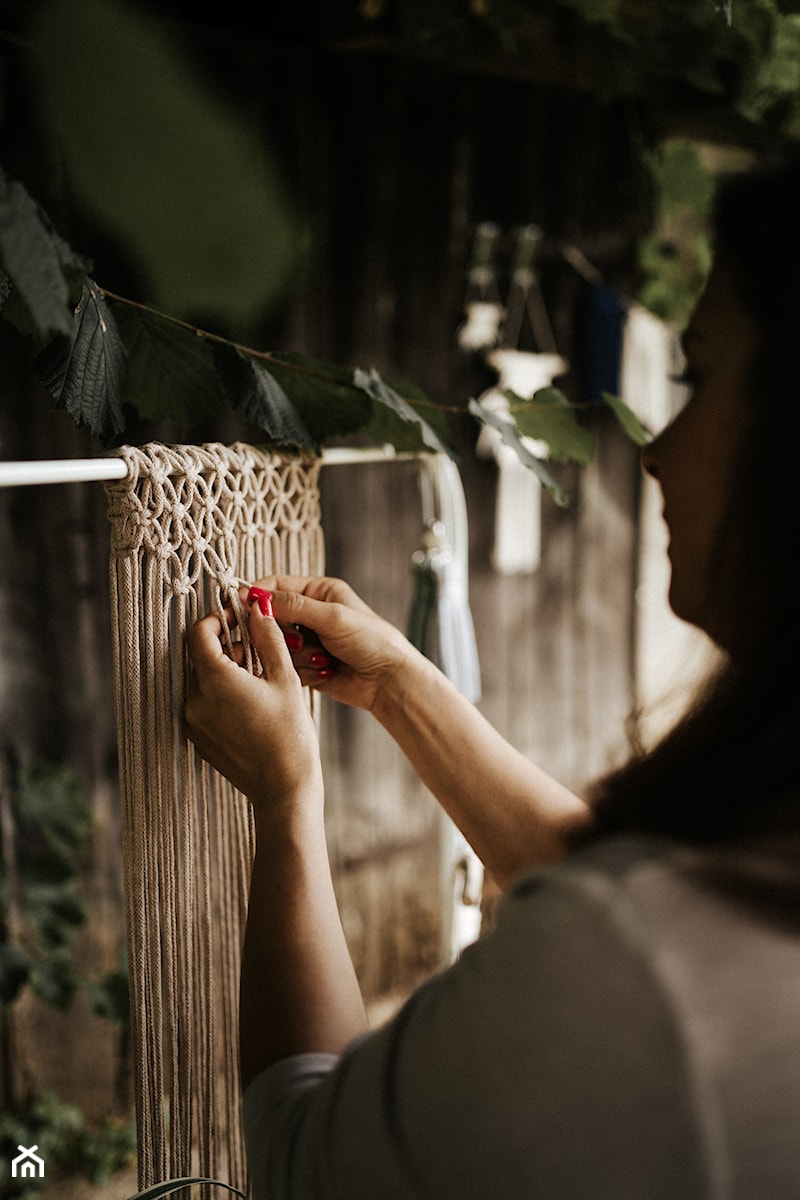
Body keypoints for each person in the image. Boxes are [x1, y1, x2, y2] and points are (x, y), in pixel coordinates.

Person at [184, 152, 800, 1199]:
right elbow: (613, 881)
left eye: (696, 379)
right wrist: (396, 689)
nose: (653, 451)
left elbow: (301, 1157)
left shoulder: (637, 968)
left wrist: (287, 803)